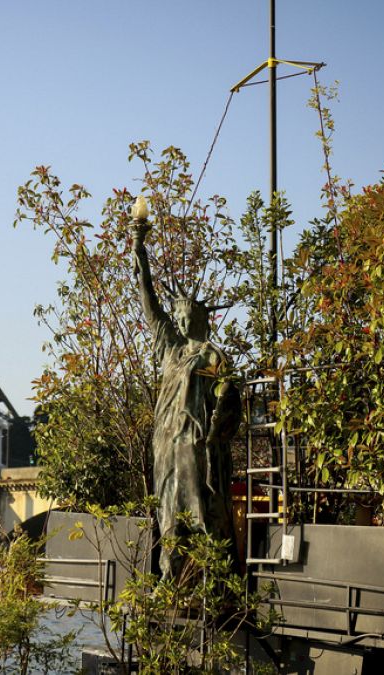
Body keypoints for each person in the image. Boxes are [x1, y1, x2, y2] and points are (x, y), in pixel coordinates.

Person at [130, 198, 241, 579]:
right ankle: (172, 580)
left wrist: (223, 405)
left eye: (184, 312)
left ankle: (215, 581)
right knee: (168, 515)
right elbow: (148, 299)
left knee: (198, 512)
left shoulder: (212, 355)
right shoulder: (170, 349)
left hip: (194, 443)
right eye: (176, 313)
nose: (178, 316)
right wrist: (139, 250)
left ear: (198, 317)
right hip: (166, 442)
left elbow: (229, 400)